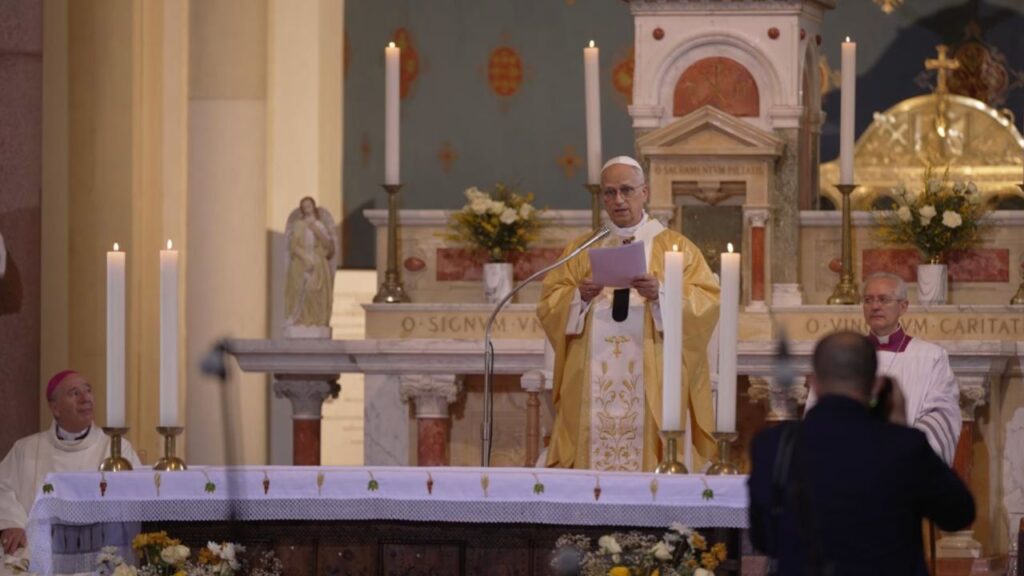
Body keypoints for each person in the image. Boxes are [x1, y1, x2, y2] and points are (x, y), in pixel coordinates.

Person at [537, 156, 720, 472]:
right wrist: (578, 297)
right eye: (609, 193)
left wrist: (661, 295)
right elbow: (549, 302)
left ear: (644, 192)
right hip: (591, 376)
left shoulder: (677, 249)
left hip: (653, 375)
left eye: (626, 190)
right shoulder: (581, 249)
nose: (618, 200)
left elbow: (706, 304)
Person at [748, 331, 975, 575]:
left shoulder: (774, 444)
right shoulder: (904, 446)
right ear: (876, 385)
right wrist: (898, 430)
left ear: (813, 381)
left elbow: (765, 539)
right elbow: (958, 514)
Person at [806, 272, 960, 463]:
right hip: (847, 461)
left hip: (904, 467)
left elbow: (941, 415)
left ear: (903, 307)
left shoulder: (931, 356)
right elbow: (818, 408)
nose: (875, 306)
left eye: (883, 299)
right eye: (868, 300)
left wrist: (902, 448)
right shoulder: (842, 355)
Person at [0, 371, 141, 556]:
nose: (86, 399)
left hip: (101, 550)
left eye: (88, 390)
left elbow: (138, 494)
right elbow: (3, 487)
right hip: (34, 548)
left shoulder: (117, 450)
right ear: (55, 407)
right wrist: (13, 523)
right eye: (74, 393)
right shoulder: (26, 448)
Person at [284, 196, 337, 333]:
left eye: (309, 204)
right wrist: (305, 258)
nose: (307, 207)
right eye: (304, 205)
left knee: (315, 291)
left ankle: (316, 320)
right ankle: (300, 319)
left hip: (318, 262)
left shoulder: (320, 225)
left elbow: (329, 247)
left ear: (314, 206)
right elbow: (293, 246)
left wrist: (317, 231)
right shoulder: (298, 224)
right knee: (300, 291)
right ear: (301, 208)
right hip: (300, 263)